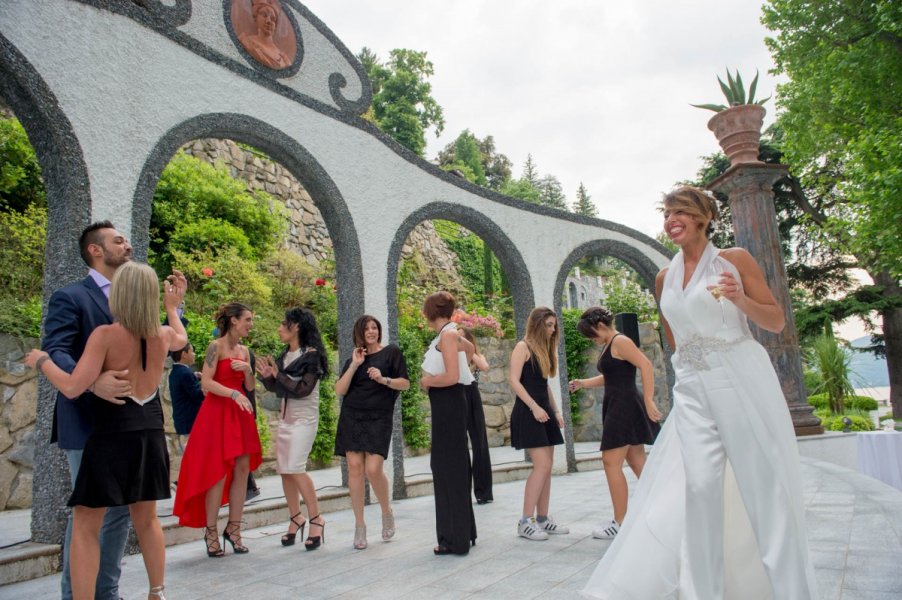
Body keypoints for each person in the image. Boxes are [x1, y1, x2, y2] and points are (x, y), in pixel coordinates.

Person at [582, 186, 816, 599]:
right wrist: (689, 369)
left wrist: (740, 298)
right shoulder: (663, 277)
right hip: (693, 389)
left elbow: (776, 320)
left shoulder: (734, 260)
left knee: (761, 485)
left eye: (680, 212)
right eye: (667, 212)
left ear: (704, 216)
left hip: (739, 378)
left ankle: (788, 590)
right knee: (700, 490)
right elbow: (675, 335)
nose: (671, 219)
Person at [25, 261, 187, 600]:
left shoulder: (105, 335)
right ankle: (157, 592)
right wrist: (173, 309)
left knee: (86, 524)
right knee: (146, 519)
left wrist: (42, 361)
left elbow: (71, 387)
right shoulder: (162, 335)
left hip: (112, 434)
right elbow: (181, 338)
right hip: (149, 433)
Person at [173, 303, 262, 557]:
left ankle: (234, 529)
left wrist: (247, 371)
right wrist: (233, 393)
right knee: (218, 472)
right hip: (218, 413)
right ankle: (211, 531)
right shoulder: (216, 347)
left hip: (240, 413)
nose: (250, 324)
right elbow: (207, 383)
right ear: (233, 321)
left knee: (242, 471)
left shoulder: (245, 351)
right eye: (247, 319)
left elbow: (250, 385)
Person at [568, 307, 662, 540]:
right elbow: (612, 376)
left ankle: (620, 522)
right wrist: (583, 383)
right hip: (619, 402)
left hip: (624, 406)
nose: (593, 340)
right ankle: (665, 510)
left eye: (592, 335)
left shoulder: (620, 341)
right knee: (637, 460)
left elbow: (646, 365)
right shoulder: (611, 344)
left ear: (601, 326)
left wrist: (649, 399)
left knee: (611, 461)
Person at [334, 315, 410, 549]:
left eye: (374, 327)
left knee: (373, 468)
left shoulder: (391, 353)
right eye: (367, 328)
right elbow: (340, 389)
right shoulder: (354, 358)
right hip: (352, 416)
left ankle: (386, 512)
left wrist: (383, 379)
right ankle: (360, 525)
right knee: (355, 470)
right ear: (360, 332)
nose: (371, 331)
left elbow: (405, 383)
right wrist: (355, 364)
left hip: (379, 417)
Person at [256, 308, 329, 550]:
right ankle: (296, 517)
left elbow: (303, 390)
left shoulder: (312, 356)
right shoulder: (284, 355)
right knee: (285, 470)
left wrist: (279, 375)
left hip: (305, 417)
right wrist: (268, 377)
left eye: (283, 323)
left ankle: (316, 519)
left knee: (296, 467)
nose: (279, 327)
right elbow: (279, 389)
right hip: (287, 418)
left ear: (296, 326)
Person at [420, 291, 477, 555]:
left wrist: (427, 381)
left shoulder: (448, 334)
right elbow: (471, 349)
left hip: (448, 403)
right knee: (452, 467)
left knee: (447, 469)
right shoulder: (452, 333)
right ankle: (463, 532)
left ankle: (454, 539)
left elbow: (452, 376)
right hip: (449, 405)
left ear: (430, 311)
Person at [509, 307, 569, 541]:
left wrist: (555, 411)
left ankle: (542, 518)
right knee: (542, 466)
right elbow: (514, 380)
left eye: (554, 325)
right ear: (536, 324)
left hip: (544, 413)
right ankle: (525, 521)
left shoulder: (544, 349)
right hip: (528, 412)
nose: (553, 330)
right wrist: (534, 407)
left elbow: (544, 385)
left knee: (548, 467)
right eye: (549, 325)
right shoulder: (522, 347)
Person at [459, 328, 494, 505]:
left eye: (461, 336)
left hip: (472, 394)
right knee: (459, 444)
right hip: (456, 395)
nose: (458, 339)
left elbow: (484, 367)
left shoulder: (475, 355)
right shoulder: (451, 356)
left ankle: (484, 492)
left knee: (480, 442)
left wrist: (468, 350)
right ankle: (462, 492)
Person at [238, 0, 292, 69]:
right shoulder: (246, 41)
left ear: (275, 26)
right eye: (264, 15)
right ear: (256, 18)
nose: (268, 21)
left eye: (273, 19)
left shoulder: (284, 59)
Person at [168, 342, 204, 444]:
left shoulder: (175, 372)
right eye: (192, 351)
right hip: (190, 424)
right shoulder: (185, 373)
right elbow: (198, 395)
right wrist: (207, 382)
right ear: (184, 354)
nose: (194, 354)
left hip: (182, 422)